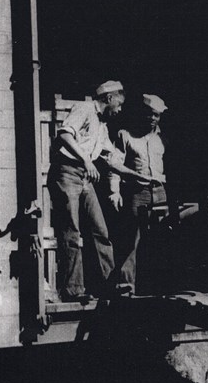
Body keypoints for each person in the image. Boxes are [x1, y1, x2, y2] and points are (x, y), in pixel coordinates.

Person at [48, 81, 157, 302]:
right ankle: (72, 290)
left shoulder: (103, 126)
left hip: (85, 177)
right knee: (72, 231)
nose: (119, 110)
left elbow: (112, 160)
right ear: (109, 98)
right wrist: (86, 160)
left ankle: (110, 285)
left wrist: (137, 176)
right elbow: (65, 134)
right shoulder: (85, 109)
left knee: (100, 230)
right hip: (67, 172)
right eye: (119, 104)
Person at [110, 94, 169, 295]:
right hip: (137, 192)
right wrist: (114, 191)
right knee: (131, 239)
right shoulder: (125, 135)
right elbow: (114, 164)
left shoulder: (162, 138)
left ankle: (157, 285)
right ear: (142, 113)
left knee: (159, 238)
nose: (153, 119)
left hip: (160, 193)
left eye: (157, 116)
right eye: (150, 114)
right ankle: (127, 286)